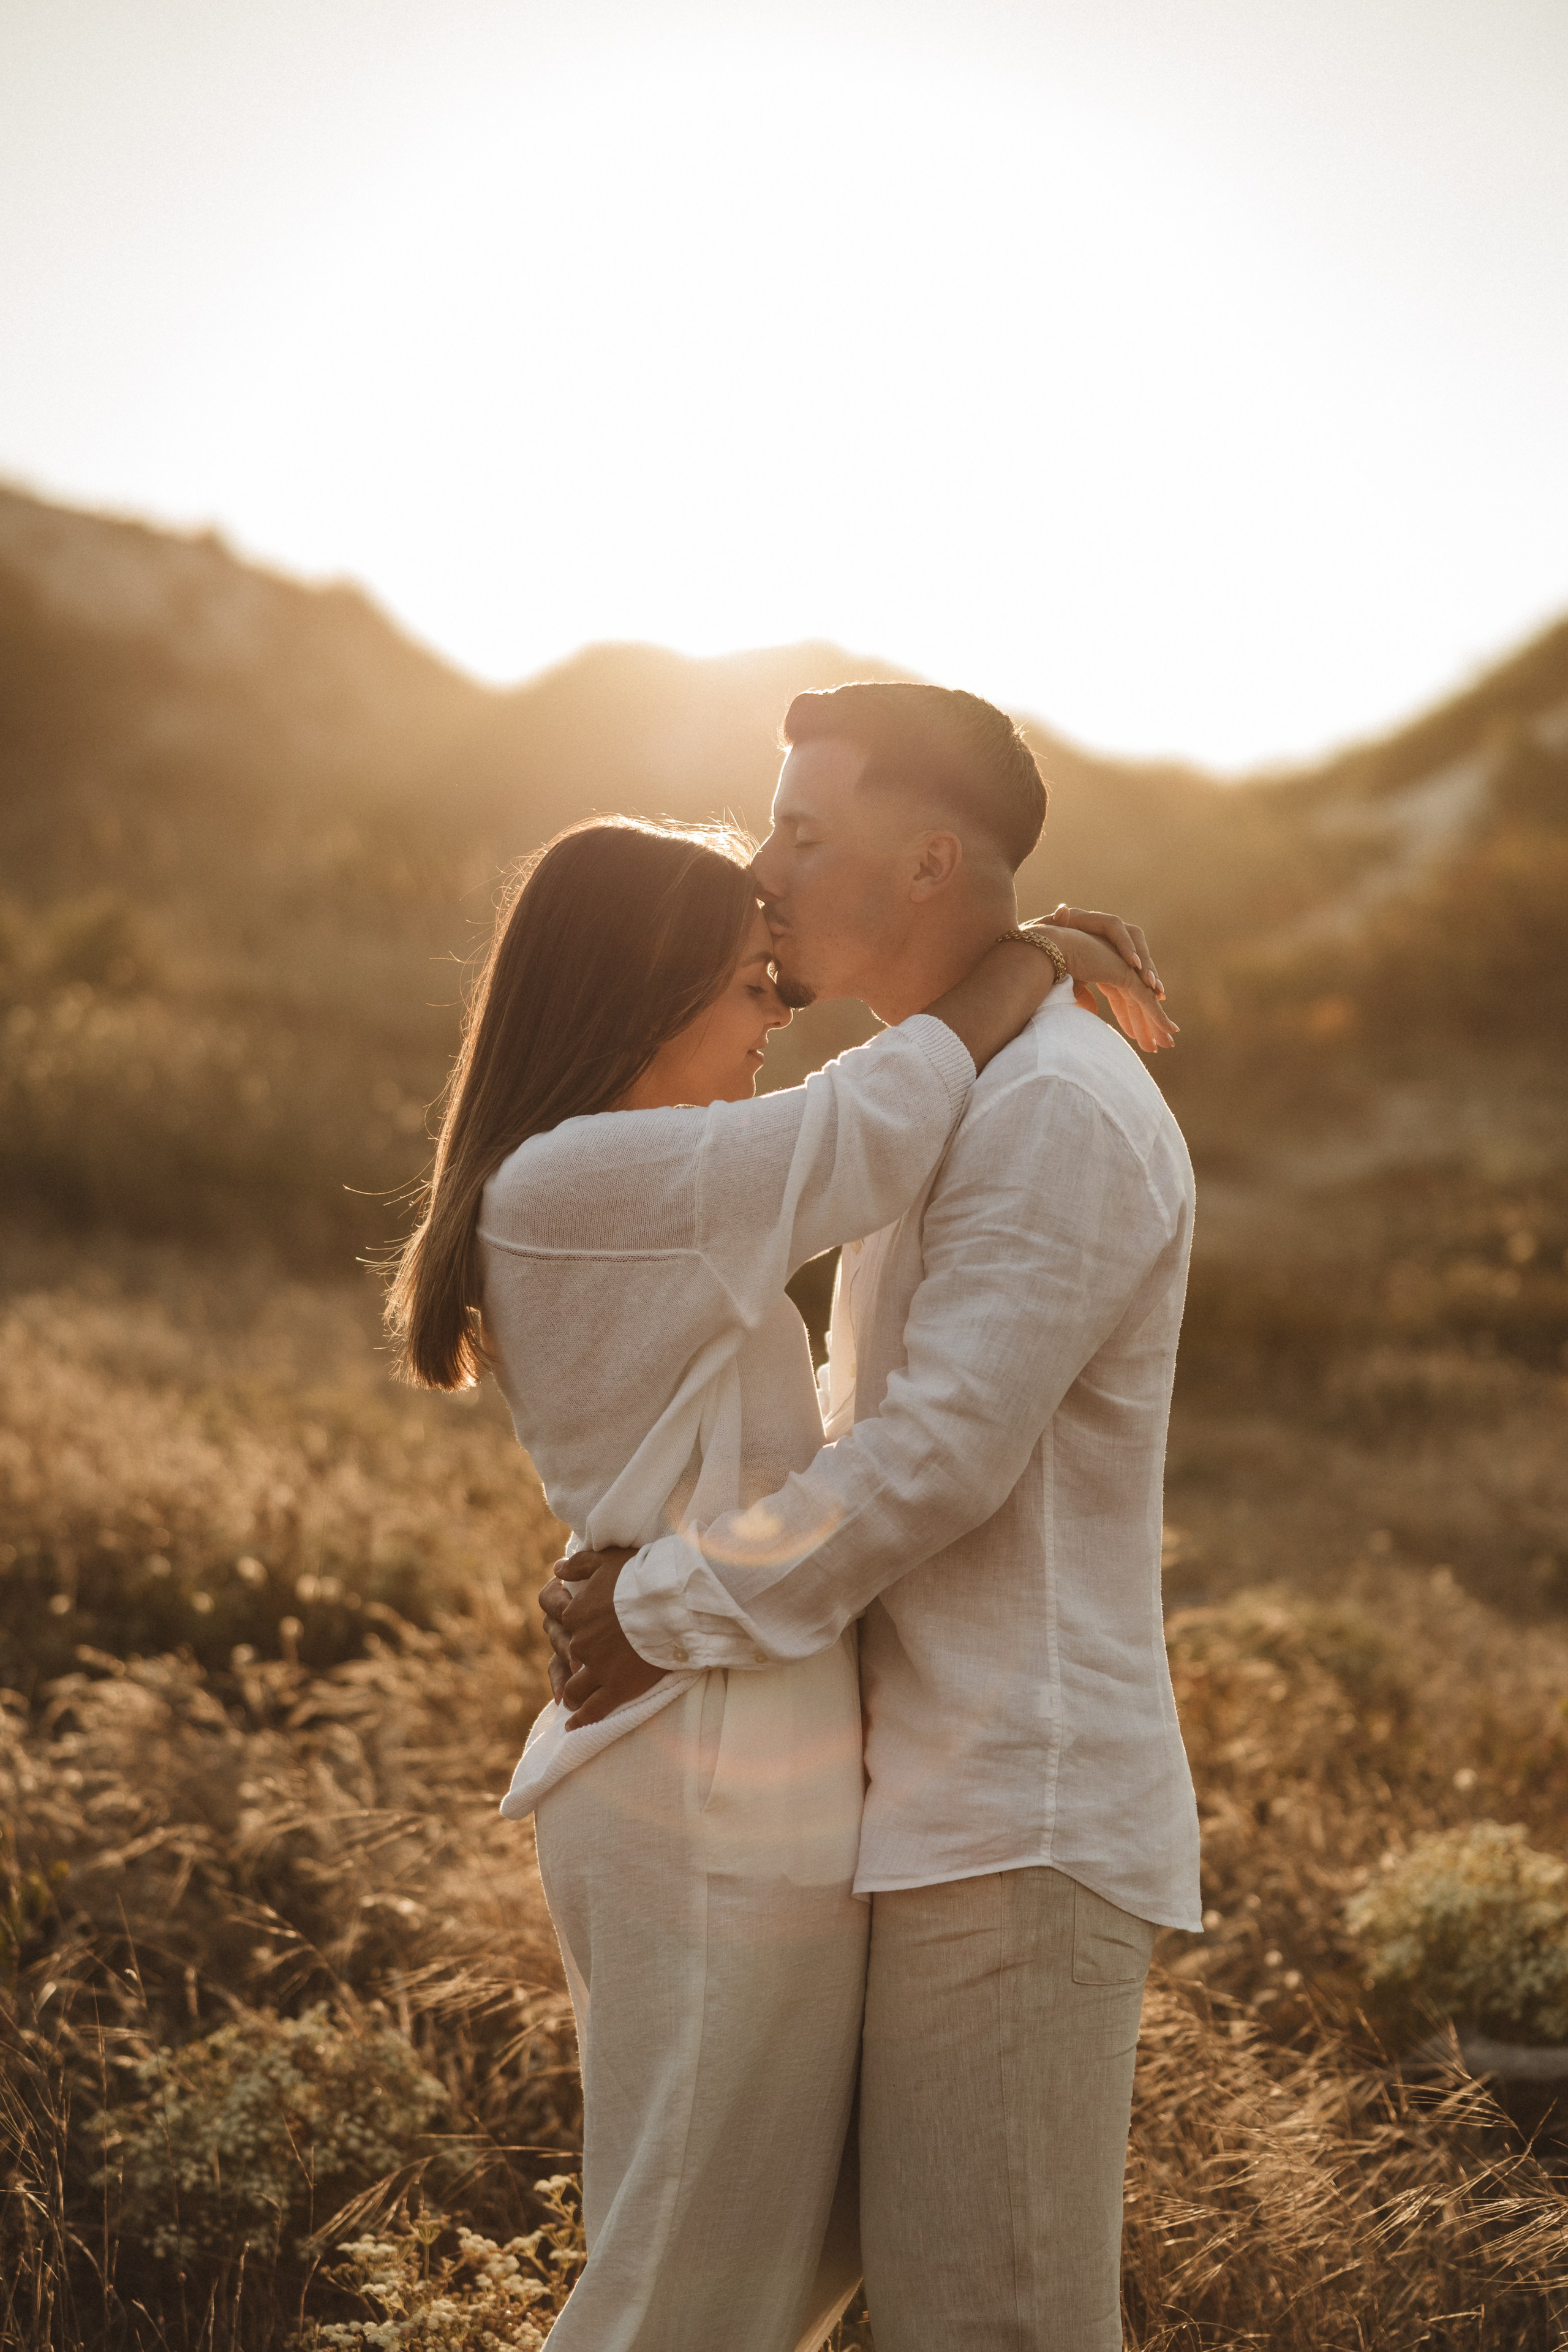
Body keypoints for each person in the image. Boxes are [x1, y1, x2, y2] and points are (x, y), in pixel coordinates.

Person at [384, 803, 1170, 2352]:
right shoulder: (584, 1180)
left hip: (742, 1738)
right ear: (636, 988)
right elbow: (877, 1125)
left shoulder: (642, 1180)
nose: (773, 1018)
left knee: (766, 2279)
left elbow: (807, 1420)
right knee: (682, 2285)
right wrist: (1031, 955)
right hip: (699, 1758)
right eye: (750, 984)